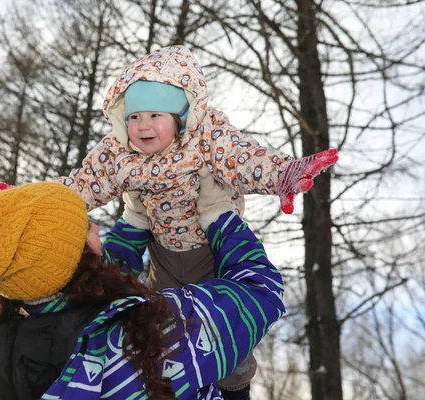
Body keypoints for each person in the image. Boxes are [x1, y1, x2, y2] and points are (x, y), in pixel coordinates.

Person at [58, 45, 337, 395]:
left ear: (180, 116)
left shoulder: (206, 138)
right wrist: (33, 200)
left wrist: (283, 174)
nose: (142, 126)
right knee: (159, 332)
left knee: (222, 341)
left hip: (210, 251)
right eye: (133, 117)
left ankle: (235, 382)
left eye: (154, 115)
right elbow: (81, 185)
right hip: (162, 256)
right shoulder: (117, 154)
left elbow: (243, 157)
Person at [0, 181, 286, 399]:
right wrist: (220, 218)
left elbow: (84, 295)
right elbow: (261, 290)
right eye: (87, 227)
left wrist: (135, 221)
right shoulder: (153, 334)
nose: (97, 232)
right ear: (80, 254)